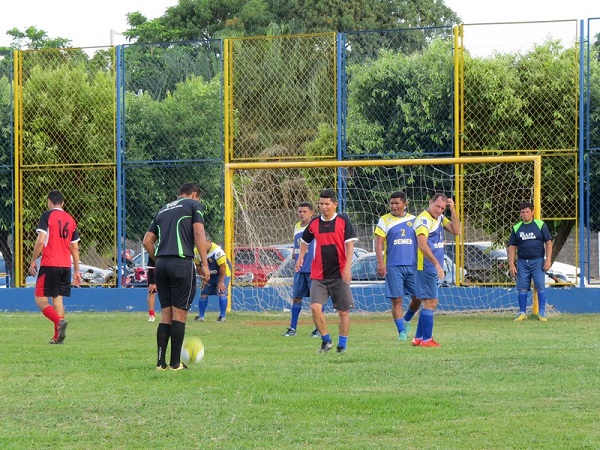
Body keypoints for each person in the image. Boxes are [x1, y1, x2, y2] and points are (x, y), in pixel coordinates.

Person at [143, 182, 210, 371]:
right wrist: (204, 264)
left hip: (161, 265)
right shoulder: (194, 205)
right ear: (195, 194)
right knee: (179, 314)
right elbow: (198, 232)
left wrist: (159, 258)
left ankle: (160, 363)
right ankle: (175, 364)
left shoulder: (163, 209)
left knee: (166, 314)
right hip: (181, 263)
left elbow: (147, 241)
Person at [296, 189, 358, 353]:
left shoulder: (343, 220)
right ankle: (326, 340)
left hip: (339, 275)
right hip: (319, 275)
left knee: (343, 312)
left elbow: (350, 245)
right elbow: (304, 241)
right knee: (315, 308)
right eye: (321, 203)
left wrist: (347, 268)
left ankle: (342, 345)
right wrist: (302, 256)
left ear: (334, 204)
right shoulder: (314, 223)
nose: (323, 207)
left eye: (327, 204)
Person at [29, 190, 82, 344]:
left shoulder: (47, 216)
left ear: (49, 202)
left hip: (50, 264)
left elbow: (40, 241)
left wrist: (33, 260)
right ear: (63, 203)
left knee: (40, 300)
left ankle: (58, 322)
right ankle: (57, 337)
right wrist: (77, 270)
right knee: (57, 301)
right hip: (65, 266)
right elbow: (75, 248)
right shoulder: (71, 220)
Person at [412, 193, 460, 347]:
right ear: (430, 202)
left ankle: (418, 338)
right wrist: (437, 264)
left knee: (428, 302)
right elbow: (422, 245)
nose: (439, 210)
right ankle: (427, 340)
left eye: (442, 208)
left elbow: (456, 230)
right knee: (431, 302)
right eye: (437, 206)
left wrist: (453, 210)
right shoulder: (423, 220)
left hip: (431, 267)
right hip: (425, 266)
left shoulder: (439, 218)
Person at [375, 191, 417, 341]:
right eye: (392, 203)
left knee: (418, 296)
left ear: (405, 204)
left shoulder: (414, 220)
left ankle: (406, 320)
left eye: (397, 203)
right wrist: (380, 263)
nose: (394, 206)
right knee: (396, 299)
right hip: (393, 266)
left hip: (413, 265)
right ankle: (401, 332)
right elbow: (379, 242)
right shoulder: (384, 220)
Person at [508, 201, 553, 322]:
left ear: (532, 212)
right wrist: (511, 264)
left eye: (528, 212)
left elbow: (548, 242)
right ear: (520, 214)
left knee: (540, 286)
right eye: (523, 212)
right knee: (522, 287)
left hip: (538, 261)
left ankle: (542, 313)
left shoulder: (540, 225)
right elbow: (512, 246)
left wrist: (548, 260)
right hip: (522, 262)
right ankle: (522, 312)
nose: (526, 214)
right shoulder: (517, 227)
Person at [283, 202, 323, 338]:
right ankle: (292, 328)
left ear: (311, 213)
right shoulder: (296, 226)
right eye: (300, 211)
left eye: (304, 211)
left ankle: (318, 329)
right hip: (299, 269)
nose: (301, 214)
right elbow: (297, 246)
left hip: (314, 269)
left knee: (316, 301)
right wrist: (295, 255)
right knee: (296, 298)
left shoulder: (317, 225)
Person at [193, 232, 232, 322]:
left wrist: (221, 282)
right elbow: (198, 265)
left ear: (209, 241)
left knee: (221, 292)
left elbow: (223, 268)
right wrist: (203, 278)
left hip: (222, 274)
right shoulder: (196, 251)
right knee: (203, 293)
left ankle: (222, 316)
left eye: (202, 243)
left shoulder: (217, 251)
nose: (200, 246)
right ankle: (201, 316)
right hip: (209, 275)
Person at [146, 257, 156, 322]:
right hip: (155, 270)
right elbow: (151, 267)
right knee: (152, 291)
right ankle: (151, 315)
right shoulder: (155, 248)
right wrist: (153, 281)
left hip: (168, 269)